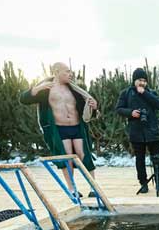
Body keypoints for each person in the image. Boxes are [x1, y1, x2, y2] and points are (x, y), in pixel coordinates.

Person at [19, 62, 99, 197]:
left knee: (83, 154)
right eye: (67, 71)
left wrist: (94, 107)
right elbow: (23, 99)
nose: (70, 74)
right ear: (56, 72)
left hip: (77, 126)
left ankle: (93, 187)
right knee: (66, 158)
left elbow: (88, 109)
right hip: (59, 129)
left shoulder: (75, 89)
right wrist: (36, 89)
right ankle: (72, 189)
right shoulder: (46, 89)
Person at [116, 68, 159, 194]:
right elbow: (119, 109)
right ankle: (143, 183)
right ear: (134, 81)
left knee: (157, 157)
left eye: (144, 80)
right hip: (136, 131)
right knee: (140, 159)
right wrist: (131, 113)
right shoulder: (126, 93)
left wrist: (144, 93)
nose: (142, 83)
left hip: (152, 130)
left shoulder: (151, 92)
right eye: (139, 80)